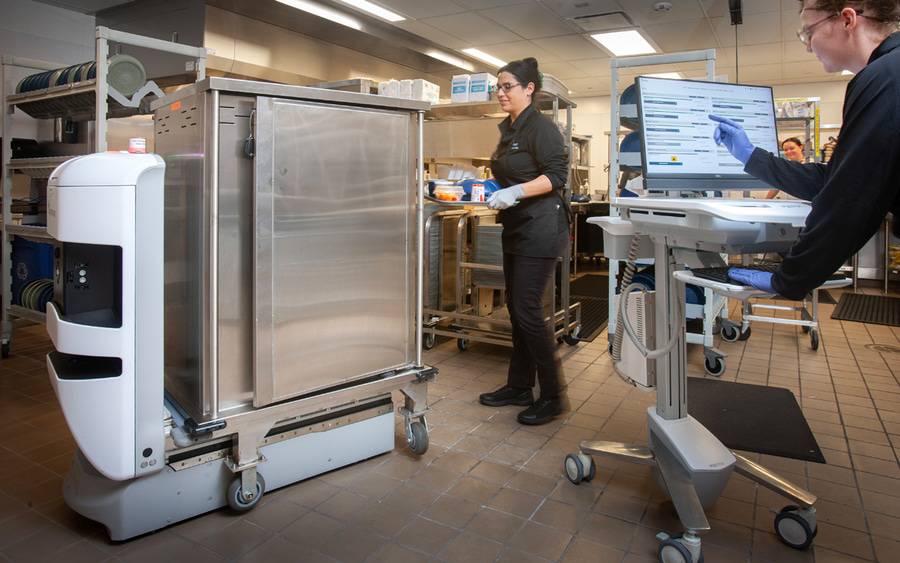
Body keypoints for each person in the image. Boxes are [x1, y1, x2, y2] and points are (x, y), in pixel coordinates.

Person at [710, 0, 900, 300]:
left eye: (808, 33)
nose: (808, 47)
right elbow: (834, 180)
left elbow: (849, 198)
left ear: (848, 19)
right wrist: (750, 156)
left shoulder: (884, 77)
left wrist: (789, 278)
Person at [477, 57, 570, 426]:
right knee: (518, 311)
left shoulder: (541, 128)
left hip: (541, 228)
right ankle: (519, 386)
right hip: (516, 227)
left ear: (529, 89)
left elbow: (556, 177)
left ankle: (553, 395)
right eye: (497, 87)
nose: (500, 93)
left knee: (528, 310)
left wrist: (515, 191)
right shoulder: (511, 129)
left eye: (507, 86)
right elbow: (512, 173)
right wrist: (492, 188)